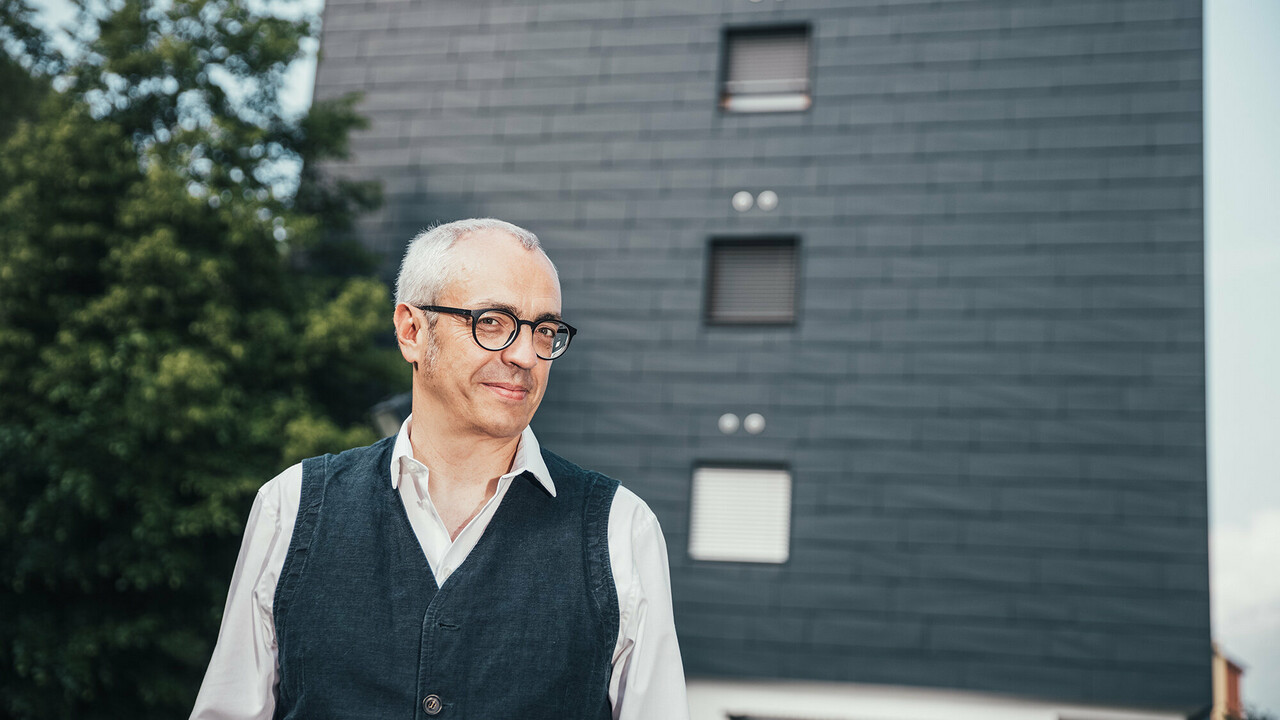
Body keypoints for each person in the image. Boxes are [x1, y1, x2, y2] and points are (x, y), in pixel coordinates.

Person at [190, 218, 689, 719]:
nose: (524, 355)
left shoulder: (622, 528)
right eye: (491, 321)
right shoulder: (290, 505)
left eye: (545, 330)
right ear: (411, 330)